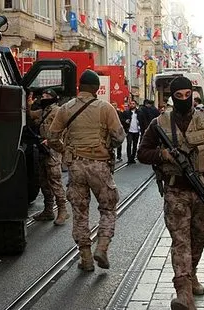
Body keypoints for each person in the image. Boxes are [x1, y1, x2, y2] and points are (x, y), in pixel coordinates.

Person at [137, 76, 204, 310]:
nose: (184, 100)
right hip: (175, 191)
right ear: (172, 97)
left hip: (203, 188)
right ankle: (183, 292)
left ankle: (191, 273)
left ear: (193, 95)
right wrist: (162, 155)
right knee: (180, 240)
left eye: (187, 95)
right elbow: (143, 153)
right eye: (178, 96)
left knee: (199, 237)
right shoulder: (159, 123)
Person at [47, 69, 126, 270]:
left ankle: (86, 258)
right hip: (99, 165)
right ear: (96, 89)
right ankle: (102, 246)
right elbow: (119, 137)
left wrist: (66, 150)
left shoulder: (65, 109)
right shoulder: (106, 108)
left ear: (79, 88)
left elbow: (52, 137)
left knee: (80, 212)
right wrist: (106, 147)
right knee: (108, 208)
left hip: (76, 166)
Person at [29, 89, 70, 224]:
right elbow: (29, 115)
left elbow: (64, 129)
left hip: (52, 150)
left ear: (53, 97)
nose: (44, 98)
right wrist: (28, 103)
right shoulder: (43, 111)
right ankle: (48, 211)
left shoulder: (57, 110)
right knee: (43, 181)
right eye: (43, 96)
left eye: (47, 96)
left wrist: (53, 141)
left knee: (55, 180)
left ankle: (62, 211)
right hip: (42, 149)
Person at [121, 99, 142, 163]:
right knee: (129, 144)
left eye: (133, 104)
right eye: (131, 103)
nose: (132, 105)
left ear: (136, 105)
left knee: (135, 144)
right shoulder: (126, 112)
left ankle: (133, 157)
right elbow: (122, 119)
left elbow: (142, 121)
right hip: (129, 131)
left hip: (137, 131)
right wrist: (125, 121)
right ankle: (129, 158)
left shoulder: (139, 112)